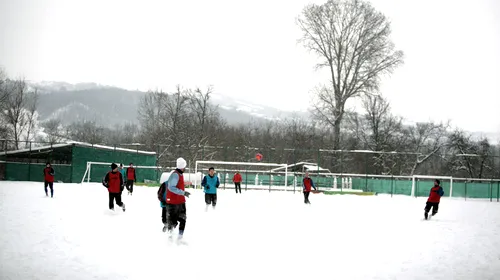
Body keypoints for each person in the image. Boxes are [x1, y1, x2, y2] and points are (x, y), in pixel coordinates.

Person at [161, 157, 191, 240]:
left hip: (180, 201)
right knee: (172, 221)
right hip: (173, 202)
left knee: (183, 219)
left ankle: (180, 236)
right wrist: (183, 192)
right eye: (184, 166)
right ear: (182, 166)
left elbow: (177, 185)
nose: (185, 168)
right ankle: (169, 237)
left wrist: (184, 184)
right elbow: (171, 187)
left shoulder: (180, 174)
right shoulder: (175, 174)